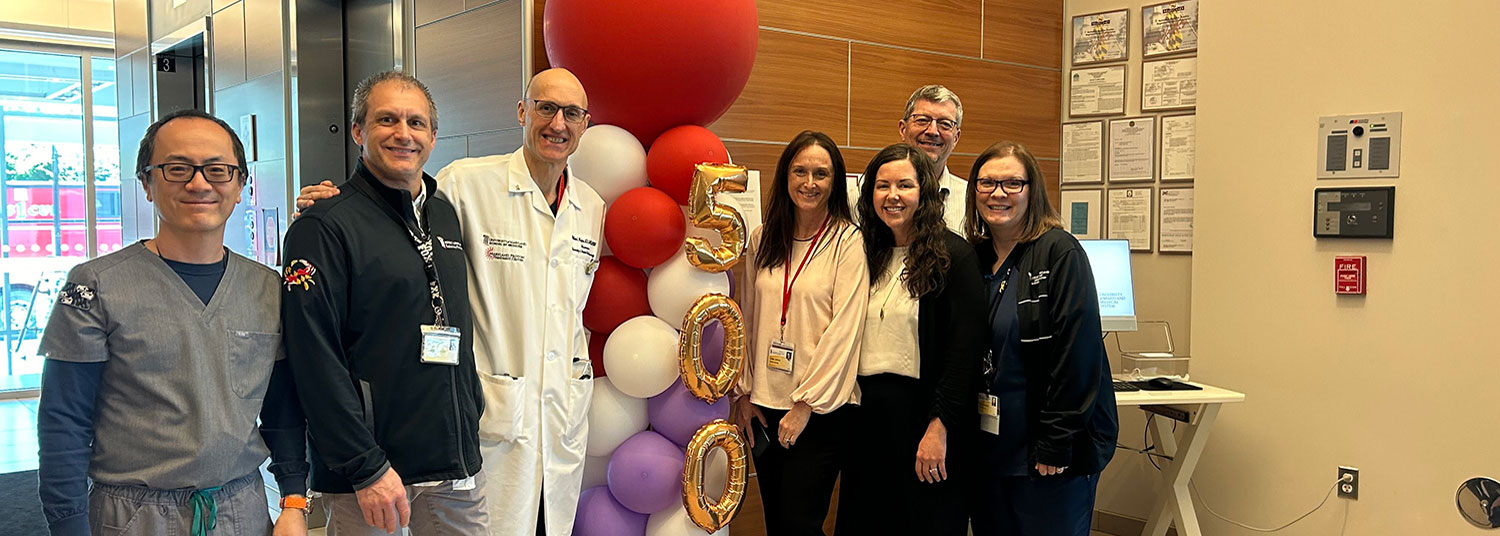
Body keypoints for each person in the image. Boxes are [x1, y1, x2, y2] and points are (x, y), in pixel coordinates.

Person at [295, 68, 605, 536]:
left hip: (537, 418)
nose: (557, 123)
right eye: (545, 108)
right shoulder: (466, 184)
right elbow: (392, 202)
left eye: (572, 113)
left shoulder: (592, 206)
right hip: (483, 416)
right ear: (523, 112)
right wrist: (332, 201)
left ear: (585, 123)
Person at [36, 109, 310, 536]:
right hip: (132, 515)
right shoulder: (96, 285)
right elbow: (63, 420)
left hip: (243, 509)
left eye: (218, 170)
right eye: (177, 168)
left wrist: (294, 499)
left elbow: (282, 410)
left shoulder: (266, 288)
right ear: (147, 183)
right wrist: (67, 524)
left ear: (240, 186)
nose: (199, 183)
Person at [281, 71, 487, 535]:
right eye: (386, 120)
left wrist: (470, 419)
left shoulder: (444, 214)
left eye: (417, 122)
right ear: (358, 131)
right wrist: (364, 466)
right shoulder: (324, 226)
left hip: (453, 462)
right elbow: (314, 359)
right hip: (370, 473)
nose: (403, 133)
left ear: (434, 136)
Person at [963, 141, 1119, 536]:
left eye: (1012, 183)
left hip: (1048, 449)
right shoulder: (974, 258)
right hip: (991, 446)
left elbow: (1078, 354)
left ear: (1033, 191)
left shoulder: (1059, 253)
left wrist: (1056, 441)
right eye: (987, 183)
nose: (998, 193)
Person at [835, 144, 986, 535]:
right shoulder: (865, 254)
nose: (893, 195)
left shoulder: (956, 257)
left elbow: (962, 356)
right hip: (866, 418)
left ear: (926, 192)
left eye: (905, 184)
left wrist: (939, 428)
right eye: (882, 185)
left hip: (925, 419)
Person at [730, 130, 868, 536]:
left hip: (819, 411)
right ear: (786, 176)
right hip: (763, 407)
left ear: (835, 181)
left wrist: (806, 404)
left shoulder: (848, 241)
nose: (810, 183)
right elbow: (749, 318)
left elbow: (846, 330)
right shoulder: (763, 238)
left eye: (821, 174)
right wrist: (744, 392)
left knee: (800, 524)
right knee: (778, 522)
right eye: (800, 171)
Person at [846, 84, 969, 232]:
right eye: (922, 120)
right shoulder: (860, 197)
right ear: (903, 129)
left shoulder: (972, 200)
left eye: (945, 124)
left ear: (956, 137)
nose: (933, 131)